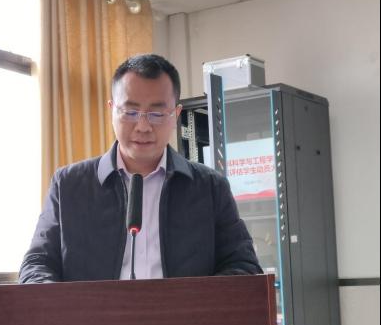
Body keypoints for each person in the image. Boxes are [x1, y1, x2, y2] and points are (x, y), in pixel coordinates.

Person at [19, 54, 262, 283]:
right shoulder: (69, 185)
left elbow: (244, 265)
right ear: (111, 110)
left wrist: (195, 302)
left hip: (183, 315)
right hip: (93, 315)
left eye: (157, 113)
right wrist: (63, 304)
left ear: (176, 114)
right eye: (130, 112)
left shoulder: (210, 187)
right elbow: (36, 264)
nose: (143, 126)